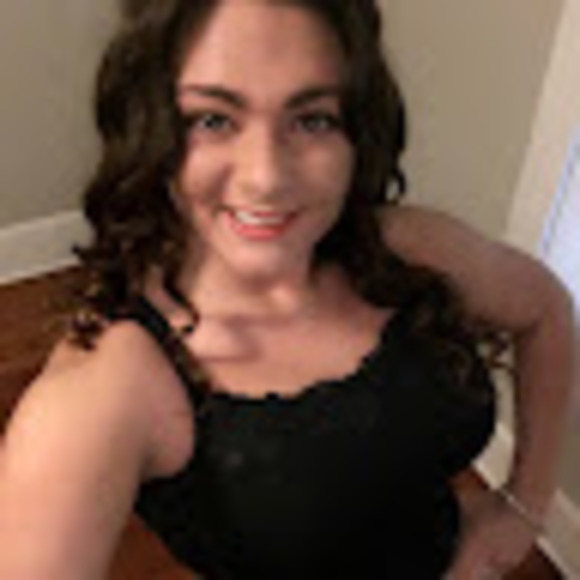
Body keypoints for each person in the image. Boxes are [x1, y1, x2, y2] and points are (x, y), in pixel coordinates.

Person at [0, 0, 574, 578]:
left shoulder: (408, 250)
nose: (267, 178)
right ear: (152, 129)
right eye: (212, 120)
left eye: (313, 119)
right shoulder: (103, 393)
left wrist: (522, 509)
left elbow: (545, 310)